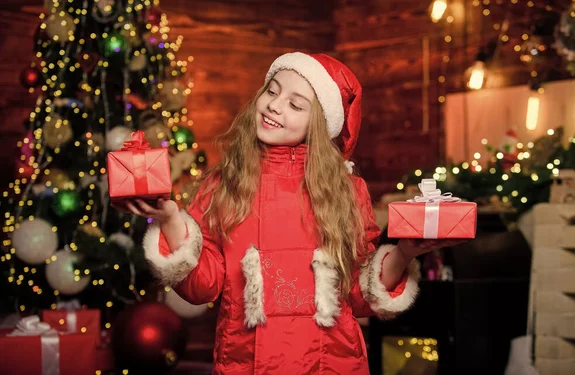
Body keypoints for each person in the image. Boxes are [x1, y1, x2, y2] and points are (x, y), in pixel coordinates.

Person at [114, 52, 462, 374]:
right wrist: (171, 220)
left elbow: (359, 293)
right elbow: (202, 287)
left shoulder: (347, 189)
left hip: (333, 363)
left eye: (295, 105)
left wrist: (403, 253)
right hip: (244, 362)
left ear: (320, 125)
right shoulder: (222, 184)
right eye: (272, 91)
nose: (274, 106)